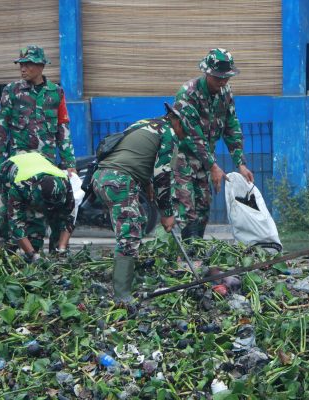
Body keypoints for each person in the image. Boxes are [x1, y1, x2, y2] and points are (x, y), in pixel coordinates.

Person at [92, 103, 185, 303]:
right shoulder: (169, 133)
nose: (186, 134)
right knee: (129, 233)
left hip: (102, 176)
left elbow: (138, 156)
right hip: (119, 180)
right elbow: (163, 176)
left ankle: (129, 276)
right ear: (176, 120)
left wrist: (147, 184)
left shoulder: (145, 123)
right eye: (186, 128)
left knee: (138, 220)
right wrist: (167, 213)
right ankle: (122, 294)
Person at [0, 45, 76, 250]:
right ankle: (4, 251)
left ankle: (40, 255)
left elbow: (63, 129)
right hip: (18, 162)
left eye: (28, 64)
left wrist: (69, 163)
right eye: (21, 64)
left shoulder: (56, 93)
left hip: (45, 163)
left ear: (41, 66)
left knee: (40, 211)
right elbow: (1, 129)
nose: (23, 69)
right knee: (1, 213)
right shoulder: (11, 91)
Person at [172, 48, 255, 240]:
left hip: (205, 158)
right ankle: (188, 251)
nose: (223, 82)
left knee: (203, 205)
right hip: (182, 158)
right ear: (207, 72)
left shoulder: (225, 92)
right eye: (218, 78)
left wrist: (240, 163)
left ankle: (196, 249)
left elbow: (231, 127)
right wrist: (214, 166)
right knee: (186, 206)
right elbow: (193, 136)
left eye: (226, 77)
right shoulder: (187, 94)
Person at [0, 152, 74, 262]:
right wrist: (33, 255)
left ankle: (57, 255)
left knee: (56, 218)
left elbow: (68, 218)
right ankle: (3, 252)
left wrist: (62, 249)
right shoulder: (21, 186)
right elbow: (16, 223)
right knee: (0, 220)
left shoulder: (65, 183)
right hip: (7, 171)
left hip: (39, 161)